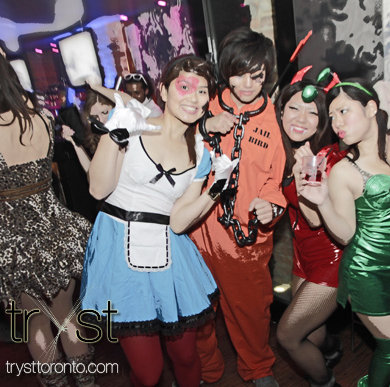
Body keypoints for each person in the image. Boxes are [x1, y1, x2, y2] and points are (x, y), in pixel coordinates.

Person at [81, 55, 229, 387]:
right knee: (148, 374)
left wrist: (216, 189)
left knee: (187, 357)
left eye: (202, 91)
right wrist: (114, 133)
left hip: (169, 253)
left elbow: (178, 222)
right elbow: (98, 189)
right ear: (162, 91)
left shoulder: (200, 153)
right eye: (185, 86)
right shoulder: (133, 125)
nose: (194, 97)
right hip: (119, 250)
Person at [299, 79, 390, 387]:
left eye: (343, 111)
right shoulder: (344, 170)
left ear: (371, 108)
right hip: (366, 272)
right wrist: (322, 203)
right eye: (332, 116)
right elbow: (346, 235)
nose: (337, 122)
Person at [189, 27, 287, 387]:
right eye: (239, 74)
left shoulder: (275, 120)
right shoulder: (203, 104)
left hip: (243, 238)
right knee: (196, 311)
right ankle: (205, 370)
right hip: (196, 229)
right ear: (226, 70)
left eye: (257, 76)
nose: (247, 84)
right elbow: (169, 138)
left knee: (251, 310)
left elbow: (274, 180)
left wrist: (271, 204)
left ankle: (258, 368)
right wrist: (204, 124)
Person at [0, 48, 97, 386]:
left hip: (12, 241)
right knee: (66, 315)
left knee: (35, 323)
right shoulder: (42, 117)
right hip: (54, 230)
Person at [274, 72, 347, 387]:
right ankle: (331, 348)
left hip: (331, 258)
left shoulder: (328, 157)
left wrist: (306, 173)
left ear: (323, 121)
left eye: (312, 113)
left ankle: (325, 382)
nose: (301, 119)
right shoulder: (281, 150)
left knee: (288, 336)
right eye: (293, 108)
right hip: (302, 253)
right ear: (281, 111)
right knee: (312, 336)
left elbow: (315, 219)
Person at [61, 89, 115, 172]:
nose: (101, 120)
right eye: (95, 117)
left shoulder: (128, 130)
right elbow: (92, 173)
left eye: (104, 112)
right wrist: (74, 142)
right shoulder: (99, 136)